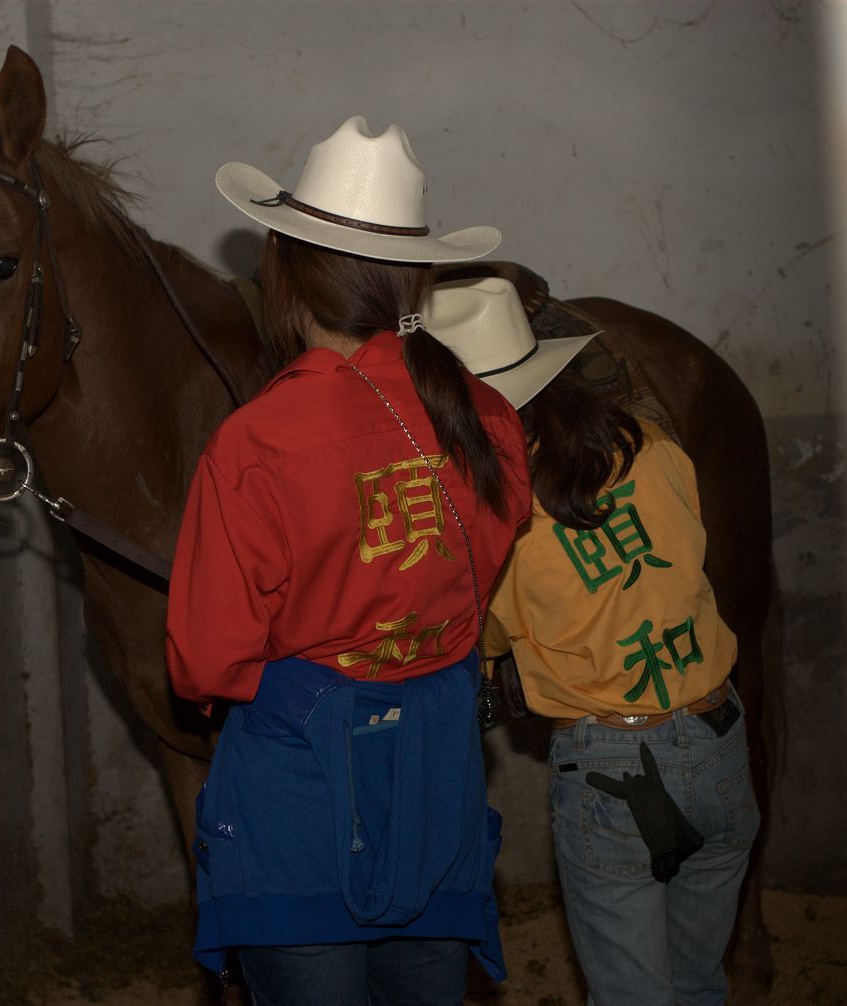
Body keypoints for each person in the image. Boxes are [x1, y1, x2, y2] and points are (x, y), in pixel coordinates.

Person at [166, 117, 532, 1006]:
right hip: (435, 793)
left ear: (285, 274)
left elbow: (205, 660)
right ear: (416, 277)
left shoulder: (258, 442)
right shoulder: (486, 417)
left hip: (302, 810)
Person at [423, 277, 761, 1006]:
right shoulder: (659, 450)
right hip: (721, 741)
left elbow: (478, 636)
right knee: (700, 983)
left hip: (613, 772)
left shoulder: (499, 520)